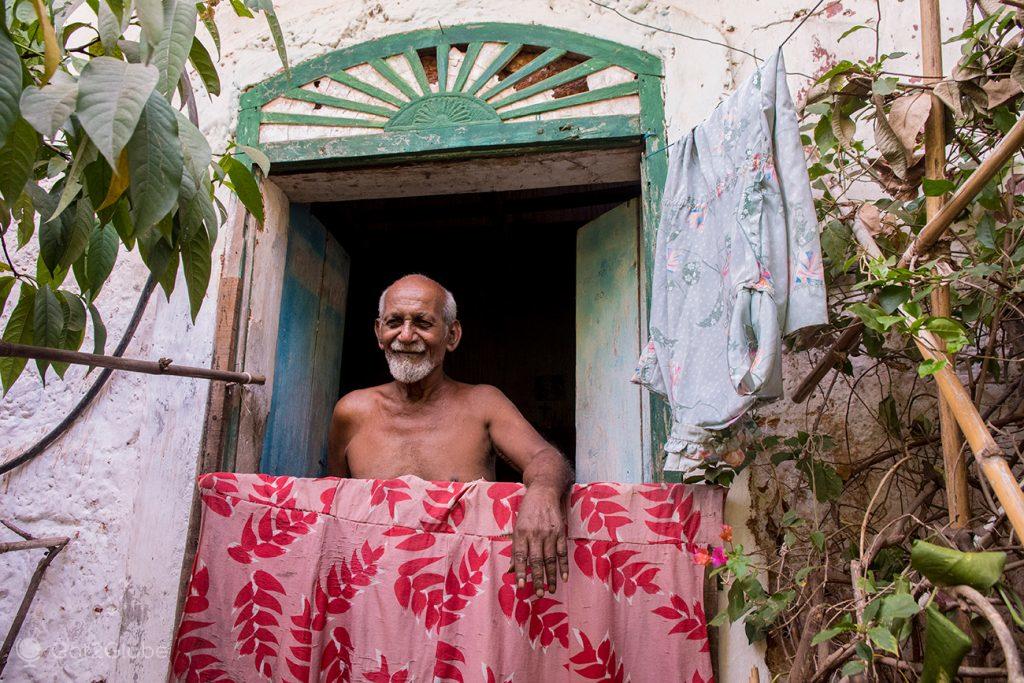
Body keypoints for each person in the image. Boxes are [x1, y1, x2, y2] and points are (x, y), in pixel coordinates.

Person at [327, 274, 574, 598]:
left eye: (422, 323)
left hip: (465, 599)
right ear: (378, 333)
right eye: (394, 322)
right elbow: (333, 507)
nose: (405, 335)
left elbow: (545, 457)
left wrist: (542, 492)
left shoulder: (483, 404)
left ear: (452, 335)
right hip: (374, 599)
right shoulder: (351, 412)